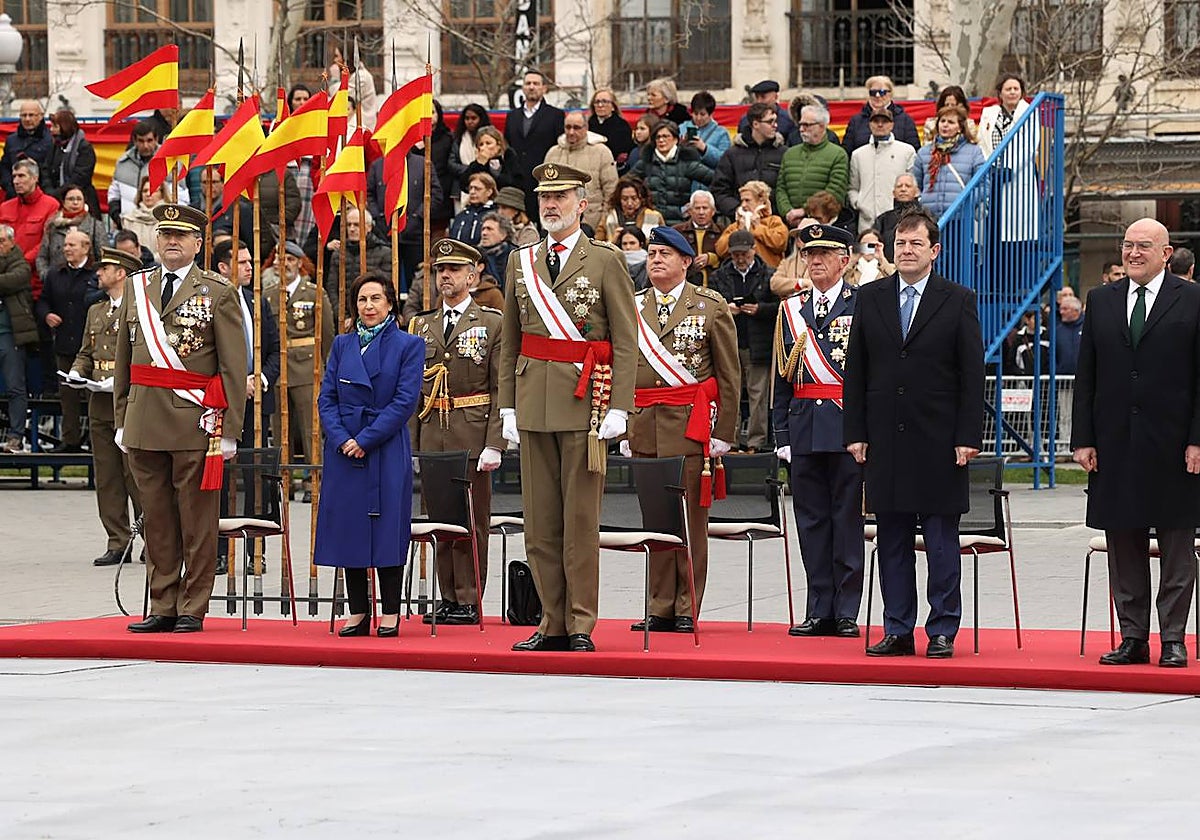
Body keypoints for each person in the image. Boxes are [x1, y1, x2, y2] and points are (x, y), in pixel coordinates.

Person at [498, 162, 638, 653]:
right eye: (544, 197)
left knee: (579, 522)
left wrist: (620, 406)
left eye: (560, 197)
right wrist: (507, 408)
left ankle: (580, 621)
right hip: (533, 403)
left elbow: (626, 340)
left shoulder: (604, 260)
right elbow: (510, 342)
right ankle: (550, 620)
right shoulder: (520, 262)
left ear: (583, 204)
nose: (550, 205)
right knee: (539, 524)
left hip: (585, 405)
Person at [843, 209, 985, 659]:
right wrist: (856, 431)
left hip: (940, 441)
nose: (906, 251)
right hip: (886, 440)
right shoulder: (871, 297)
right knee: (892, 541)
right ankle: (898, 628)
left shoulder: (957, 299)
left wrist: (968, 435)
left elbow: (972, 374)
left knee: (941, 542)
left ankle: (942, 628)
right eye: (900, 243)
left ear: (934, 250)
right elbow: (856, 369)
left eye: (915, 244)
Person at [1071, 218, 1200, 668]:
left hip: (1174, 446)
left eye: (1144, 245)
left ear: (1166, 253)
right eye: (1127, 245)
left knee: (1177, 545)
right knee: (1123, 543)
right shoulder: (1102, 300)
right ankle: (1132, 637)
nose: (1133, 253)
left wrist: (1197, 439)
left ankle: (1173, 638)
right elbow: (1086, 374)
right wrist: (1083, 438)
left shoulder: (1192, 299)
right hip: (1115, 444)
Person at [116, 203, 248, 634]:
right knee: (156, 520)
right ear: (156, 240)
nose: (172, 241)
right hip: (143, 419)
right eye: (165, 234)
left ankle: (193, 605)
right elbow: (123, 360)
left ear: (198, 243)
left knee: (196, 522)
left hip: (195, 422)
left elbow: (232, 366)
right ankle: (163, 603)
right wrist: (121, 417)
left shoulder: (218, 292)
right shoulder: (137, 288)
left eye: (181, 235)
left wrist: (230, 430)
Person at [624, 226, 739, 633]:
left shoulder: (709, 306)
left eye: (665, 254)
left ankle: (687, 604)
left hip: (691, 427)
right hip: (645, 426)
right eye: (652, 253)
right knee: (656, 521)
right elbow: (623, 368)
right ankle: (659, 605)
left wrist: (724, 431)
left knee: (690, 521)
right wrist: (623, 424)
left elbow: (729, 374)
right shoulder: (633, 305)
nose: (656, 260)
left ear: (686, 261)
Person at [314, 272, 423, 637]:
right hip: (344, 450)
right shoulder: (342, 344)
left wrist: (366, 439)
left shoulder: (408, 345)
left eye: (376, 298)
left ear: (390, 303)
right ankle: (358, 611)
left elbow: (405, 401)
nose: (369, 305)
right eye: (362, 299)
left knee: (387, 526)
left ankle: (390, 611)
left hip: (384, 447)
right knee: (350, 527)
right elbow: (327, 398)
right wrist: (342, 437)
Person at [772, 223, 865, 637]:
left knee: (846, 522)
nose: (815, 261)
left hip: (847, 429)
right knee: (811, 524)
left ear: (844, 260)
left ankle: (846, 611)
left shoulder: (861, 304)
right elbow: (781, 378)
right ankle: (818, 608)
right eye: (810, 254)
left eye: (824, 254)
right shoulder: (791, 310)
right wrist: (781, 435)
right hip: (804, 427)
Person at [408, 239, 505, 625]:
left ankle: (469, 596)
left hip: (472, 432)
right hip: (434, 432)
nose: (445, 276)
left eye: (453, 270)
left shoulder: (491, 323)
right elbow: (413, 390)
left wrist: (496, 442)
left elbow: (500, 387)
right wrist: (413, 443)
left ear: (472, 275)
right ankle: (447, 594)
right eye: (440, 270)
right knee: (440, 518)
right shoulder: (422, 324)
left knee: (472, 519)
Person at [67, 248, 143, 566]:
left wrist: (123, 379)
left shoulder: (139, 310)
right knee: (108, 476)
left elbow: (145, 354)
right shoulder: (96, 311)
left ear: (121, 273)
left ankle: (153, 538)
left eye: (105, 268)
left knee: (137, 476)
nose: (98, 273)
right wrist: (77, 372)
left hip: (129, 401)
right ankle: (117, 540)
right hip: (99, 401)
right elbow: (86, 352)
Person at [262, 240, 333, 499]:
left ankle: (314, 481)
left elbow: (327, 334)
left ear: (300, 263)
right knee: (281, 429)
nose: (284, 264)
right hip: (278, 369)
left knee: (310, 428)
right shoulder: (268, 294)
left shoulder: (314, 293)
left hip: (306, 368)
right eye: (280, 259)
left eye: (290, 260)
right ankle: (285, 481)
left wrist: (324, 368)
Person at [711, 228, 778, 452]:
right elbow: (710, 305)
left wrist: (759, 309)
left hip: (758, 344)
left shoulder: (769, 274)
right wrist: (725, 309)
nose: (740, 258)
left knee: (759, 395)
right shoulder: (719, 276)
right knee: (730, 394)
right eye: (735, 254)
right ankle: (729, 440)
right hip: (728, 345)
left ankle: (756, 443)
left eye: (744, 254)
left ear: (754, 250)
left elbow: (780, 307)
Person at [36, 228, 101, 453]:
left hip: (90, 346)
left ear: (86, 247)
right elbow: (43, 300)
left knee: (94, 396)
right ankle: (70, 440)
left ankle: (95, 441)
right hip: (64, 343)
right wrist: (47, 314)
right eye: (65, 245)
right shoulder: (55, 273)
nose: (66, 249)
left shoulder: (96, 274)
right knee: (67, 396)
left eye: (71, 245)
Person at [504, 70, 565, 224]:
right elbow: (507, 147)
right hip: (517, 184)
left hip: (544, 181)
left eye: (536, 83)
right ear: (523, 88)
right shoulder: (512, 116)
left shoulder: (555, 115)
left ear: (544, 88)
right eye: (528, 83)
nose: (531, 87)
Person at [544, 110, 618, 231]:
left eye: (576, 127)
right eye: (568, 127)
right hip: (559, 222)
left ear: (586, 128)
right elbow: (543, 191)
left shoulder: (602, 152)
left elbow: (611, 190)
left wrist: (603, 223)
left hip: (592, 222)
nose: (571, 132)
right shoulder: (553, 153)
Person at [711, 102, 788, 220]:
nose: (775, 125)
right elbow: (719, 190)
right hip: (741, 221)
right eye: (770, 122)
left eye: (775, 121)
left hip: (775, 222)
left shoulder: (784, 153)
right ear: (755, 124)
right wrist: (738, 210)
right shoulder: (732, 154)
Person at [776, 104, 848, 226]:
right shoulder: (789, 154)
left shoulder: (838, 154)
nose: (801, 129)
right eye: (800, 124)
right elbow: (781, 188)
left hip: (822, 224)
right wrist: (787, 212)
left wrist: (805, 211)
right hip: (790, 222)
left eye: (807, 125)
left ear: (822, 126)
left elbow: (835, 191)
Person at [848, 109, 917, 234]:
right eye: (876, 121)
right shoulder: (858, 154)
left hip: (897, 220)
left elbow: (913, 186)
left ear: (892, 125)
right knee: (867, 247)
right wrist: (859, 203)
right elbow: (853, 187)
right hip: (867, 221)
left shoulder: (907, 151)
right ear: (870, 124)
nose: (880, 125)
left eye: (884, 121)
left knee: (894, 246)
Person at [631, 120, 713, 225]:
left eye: (666, 136)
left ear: (675, 139)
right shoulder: (645, 163)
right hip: (651, 222)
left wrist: (697, 203)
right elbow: (626, 184)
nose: (661, 140)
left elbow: (716, 181)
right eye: (658, 137)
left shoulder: (686, 162)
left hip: (680, 223)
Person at [911, 105, 985, 218]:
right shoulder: (924, 152)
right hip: (929, 217)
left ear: (960, 127)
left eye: (951, 122)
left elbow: (983, 184)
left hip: (960, 217)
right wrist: (922, 201)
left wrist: (967, 203)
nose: (945, 125)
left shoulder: (974, 152)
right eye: (942, 121)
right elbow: (916, 184)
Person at [109, 121, 187, 224]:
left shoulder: (171, 162)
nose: (145, 145)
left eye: (149, 140)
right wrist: (117, 217)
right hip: (128, 223)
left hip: (161, 224)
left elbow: (182, 197)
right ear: (134, 141)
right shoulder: (122, 163)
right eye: (141, 141)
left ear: (156, 139)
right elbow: (114, 194)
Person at [0, 224, 34, 453]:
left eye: (2, 241)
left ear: (12, 242)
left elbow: (12, 280)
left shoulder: (21, 265)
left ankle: (16, 436)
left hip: (10, 334)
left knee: (15, 387)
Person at [716, 180, 788, 268]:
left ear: (761, 201)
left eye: (747, 200)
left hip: (767, 273)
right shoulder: (735, 226)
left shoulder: (773, 221)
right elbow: (720, 250)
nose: (743, 205)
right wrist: (739, 231)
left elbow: (780, 244)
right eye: (742, 201)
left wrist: (758, 228)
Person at [37, 183, 105, 277]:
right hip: (58, 280)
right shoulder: (52, 226)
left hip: (87, 281)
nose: (75, 202)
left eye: (79, 199)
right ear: (63, 202)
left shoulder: (95, 226)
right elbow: (42, 257)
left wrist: (96, 279)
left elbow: (103, 257)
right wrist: (47, 276)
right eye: (71, 199)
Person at [842, 75, 921, 154]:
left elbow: (913, 152)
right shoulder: (856, 121)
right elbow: (847, 152)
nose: (877, 96)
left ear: (891, 94)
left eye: (882, 92)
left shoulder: (905, 120)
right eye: (873, 92)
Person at [41, 109, 99, 215]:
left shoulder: (84, 148)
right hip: (56, 201)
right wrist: (49, 190)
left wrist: (59, 193)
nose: (51, 129)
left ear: (65, 127)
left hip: (81, 200)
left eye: (55, 126)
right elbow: (45, 170)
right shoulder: (55, 146)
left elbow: (81, 176)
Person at [679, 91, 732, 189]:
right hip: (684, 185)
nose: (698, 118)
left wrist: (705, 148)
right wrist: (680, 146)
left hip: (708, 185)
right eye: (695, 114)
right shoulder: (681, 129)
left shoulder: (721, 133)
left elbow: (725, 161)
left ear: (711, 114)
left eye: (703, 114)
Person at [0, 101, 52, 200]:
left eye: (31, 115)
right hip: (14, 196)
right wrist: (10, 187)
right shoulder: (11, 140)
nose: (27, 119)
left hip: (42, 196)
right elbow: (4, 167)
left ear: (41, 116)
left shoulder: (50, 140)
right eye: (24, 115)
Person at [673, 189, 722, 287]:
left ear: (713, 211)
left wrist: (713, 259)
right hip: (685, 286)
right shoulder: (677, 232)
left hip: (716, 287)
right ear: (690, 211)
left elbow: (730, 258)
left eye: (705, 208)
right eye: (697, 208)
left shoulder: (722, 232)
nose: (701, 212)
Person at [597, 175, 665, 243]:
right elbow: (597, 243)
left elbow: (663, 243)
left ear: (642, 199)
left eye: (634, 198)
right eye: (625, 199)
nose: (629, 203)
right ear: (619, 199)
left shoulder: (655, 216)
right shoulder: (608, 216)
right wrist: (612, 241)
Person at [978, 73, 1029, 159]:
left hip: (1019, 165)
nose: (1012, 92)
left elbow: (1030, 146)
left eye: (1016, 89)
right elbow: (981, 143)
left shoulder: (1028, 112)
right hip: (991, 165)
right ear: (1000, 94)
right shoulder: (988, 113)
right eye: (1008, 89)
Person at [873, 174, 922, 262]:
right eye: (899, 186)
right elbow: (871, 245)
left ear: (917, 192)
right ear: (893, 193)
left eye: (908, 186)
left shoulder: (925, 218)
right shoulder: (882, 219)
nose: (903, 189)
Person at [448, 103, 492, 201]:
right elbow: (451, 164)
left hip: (485, 184)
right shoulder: (458, 138)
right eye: (467, 118)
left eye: (473, 118)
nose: (470, 122)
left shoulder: (489, 139)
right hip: (461, 187)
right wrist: (470, 170)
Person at [117, 178, 167, 261]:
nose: (148, 194)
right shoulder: (129, 220)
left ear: (162, 193)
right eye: (144, 191)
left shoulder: (169, 219)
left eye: (153, 190)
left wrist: (152, 259)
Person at [462, 125, 522, 194]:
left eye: (488, 143)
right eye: (481, 144)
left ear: (498, 145)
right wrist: (479, 164)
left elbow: (514, 183)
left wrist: (495, 173)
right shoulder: (478, 163)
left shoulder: (508, 157)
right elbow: (464, 185)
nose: (484, 148)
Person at [449, 172, 499, 247]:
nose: (472, 192)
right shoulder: (461, 215)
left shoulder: (496, 215)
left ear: (489, 192)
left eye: (477, 189)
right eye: (470, 188)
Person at [588, 88, 634, 167]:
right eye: (597, 102)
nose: (600, 105)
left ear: (613, 106)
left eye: (604, 101)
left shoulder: (622, 126)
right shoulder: (586, 125)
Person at [477, 212, 516, 284]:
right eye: (483, 229)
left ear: (503, 235)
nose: (484, 233)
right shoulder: (476, 255)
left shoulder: (514, 256)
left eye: (489, 229)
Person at [1055, 293, 1084, 375]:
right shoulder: (1056, 331)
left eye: (1065, 309)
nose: (1061, 312)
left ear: (1076, 310)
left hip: (1085, 378)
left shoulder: (1089, 327)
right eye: (1060, 309)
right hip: (1061, 379)